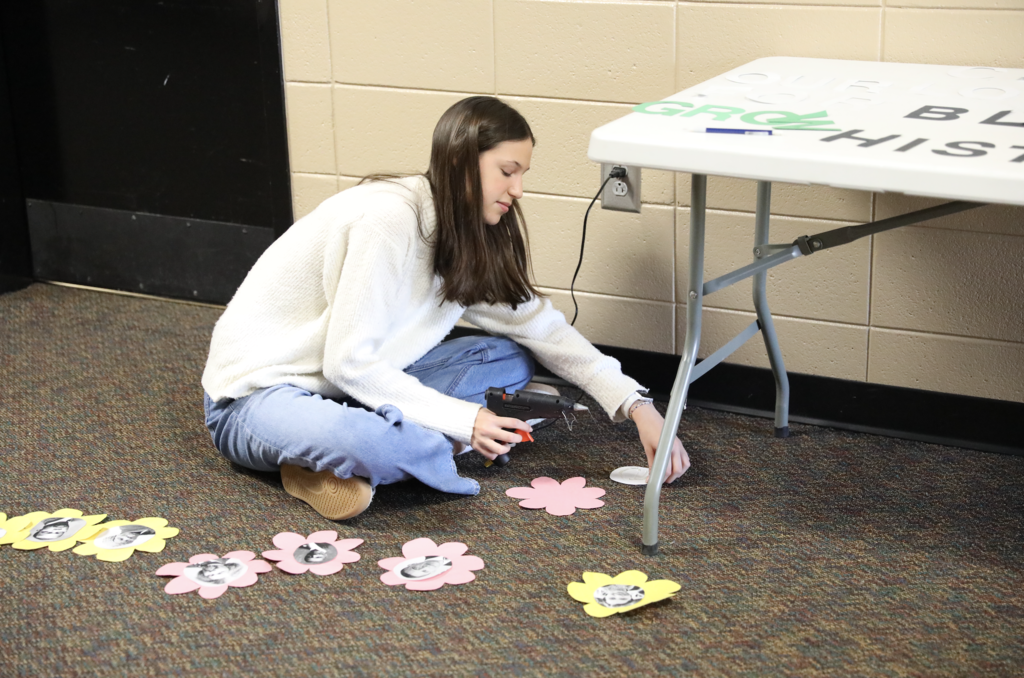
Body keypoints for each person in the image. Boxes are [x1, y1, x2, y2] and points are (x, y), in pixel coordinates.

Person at [202, 96, 689, 520]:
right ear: (461, 163)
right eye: (507, 171)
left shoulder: (463, 228)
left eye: (522, 174)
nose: (518, 190)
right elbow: (346, 362)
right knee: (381, 444)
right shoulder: (386, 220)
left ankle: (351, 456)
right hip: (255, 397)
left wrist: (638, 406)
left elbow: (540, 326)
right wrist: (464, 422)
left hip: (350, 385)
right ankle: (356, 455)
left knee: (512, 355)